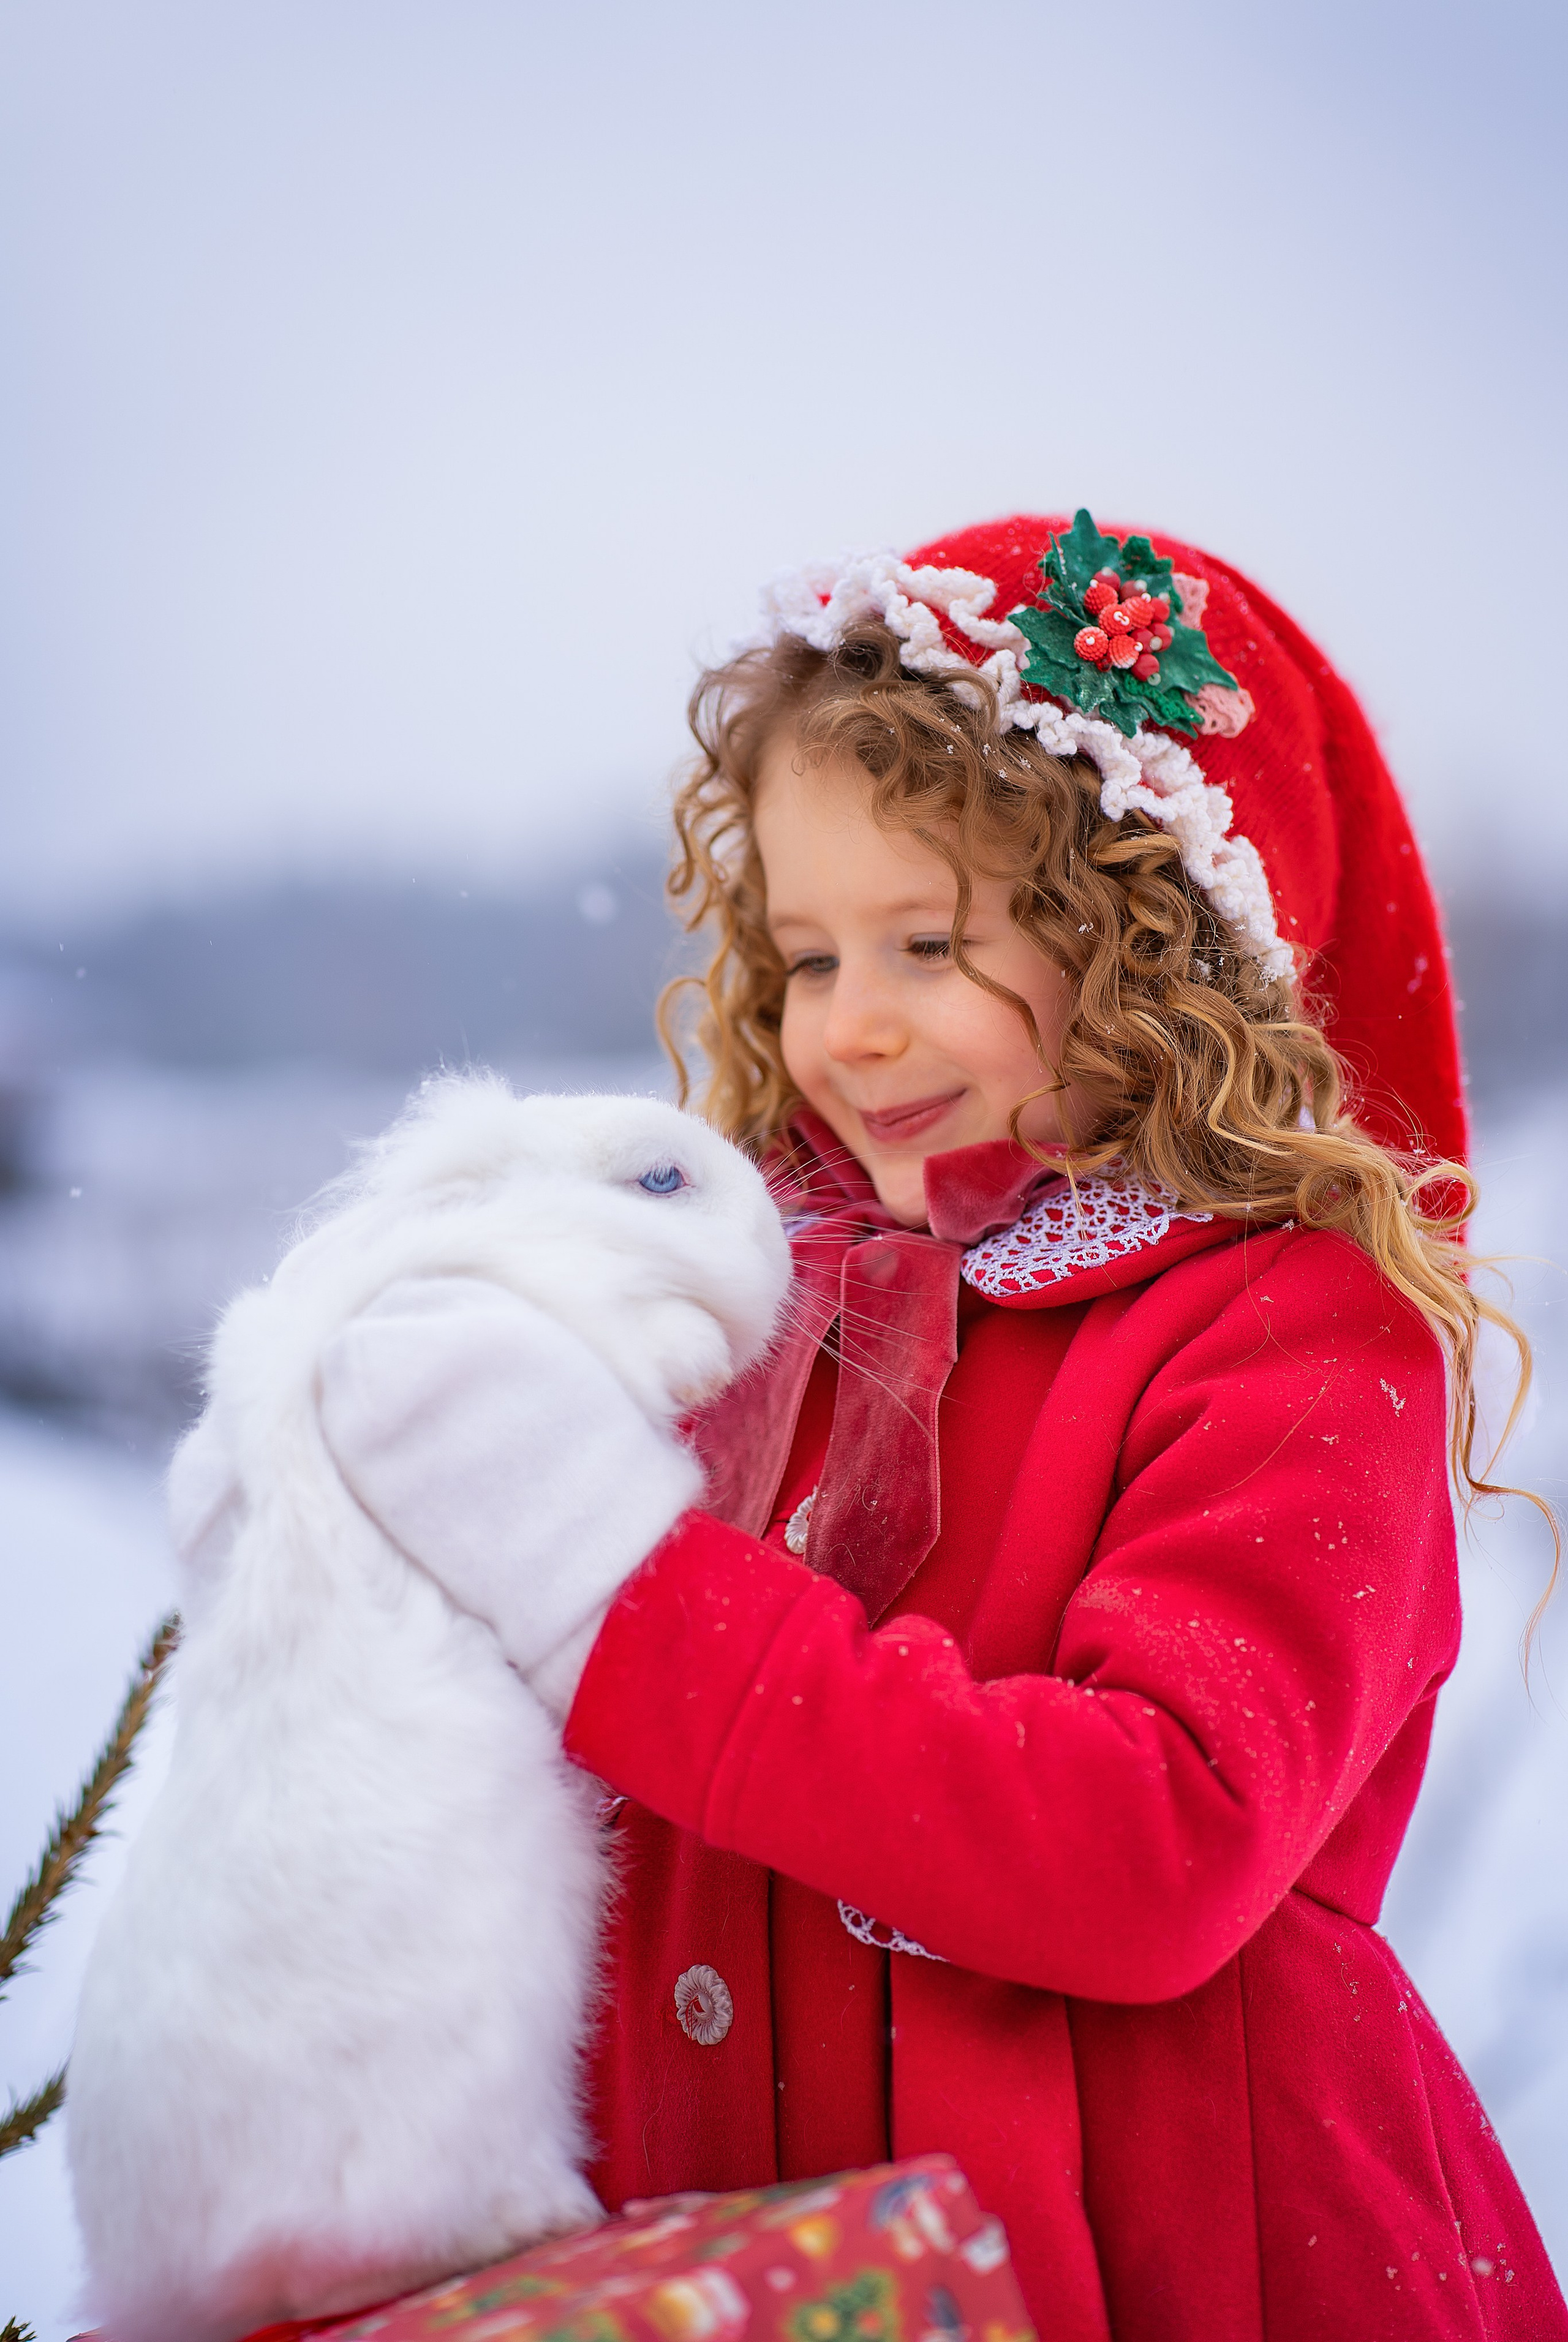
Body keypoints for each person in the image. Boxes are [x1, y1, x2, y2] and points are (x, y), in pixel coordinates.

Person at [332, 513, 1567, 2339]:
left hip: (1180, 2267)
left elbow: (1153, 1847)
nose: (855, 1029)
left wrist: (623, 1603)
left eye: (930, 940)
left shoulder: (1295, 1329)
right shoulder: (768, 1301)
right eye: (810, 956)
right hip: (749, 2264)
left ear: (1157, 940)